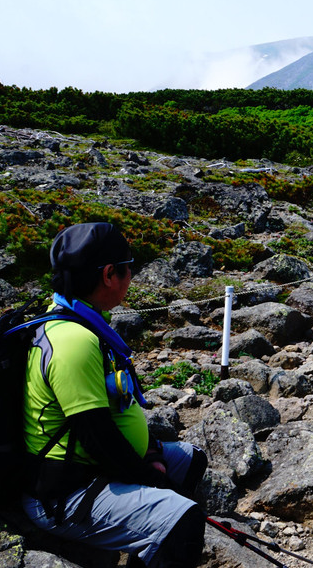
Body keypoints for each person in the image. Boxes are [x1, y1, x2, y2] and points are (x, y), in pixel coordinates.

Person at [22, 222, 208, 568]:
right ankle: (164, 528)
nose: (131, 276)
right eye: (129, 268)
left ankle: (149, 543)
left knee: (191, 460)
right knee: (183, 522)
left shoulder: (81, 321)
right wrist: (150, 478)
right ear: (109, 274)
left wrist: (150, 451)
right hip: (67, 489)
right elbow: (95, 434)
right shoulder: (73, 341)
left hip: (90, 467)